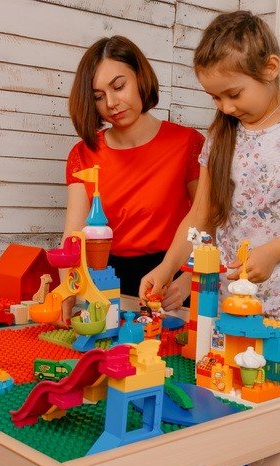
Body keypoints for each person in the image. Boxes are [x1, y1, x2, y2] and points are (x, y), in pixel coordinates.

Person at [139, 11, 280, 332]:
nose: (226, 107)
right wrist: (166, 268)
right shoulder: (221, 135)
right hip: (227, 295)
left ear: (270, 68)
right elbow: (200, 214)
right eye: (215, 97)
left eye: (234, 94)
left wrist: (272, 253)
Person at [61, 35, 205, 323]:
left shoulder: (187, 143)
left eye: (118, 86)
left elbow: (207, 220)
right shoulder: (82, 154)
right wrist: (67, 289)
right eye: (98, 96)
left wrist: (188, 280)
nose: (111, 103)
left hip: (171, 279)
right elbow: (73, 236)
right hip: (104, 283)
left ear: (140, 76)